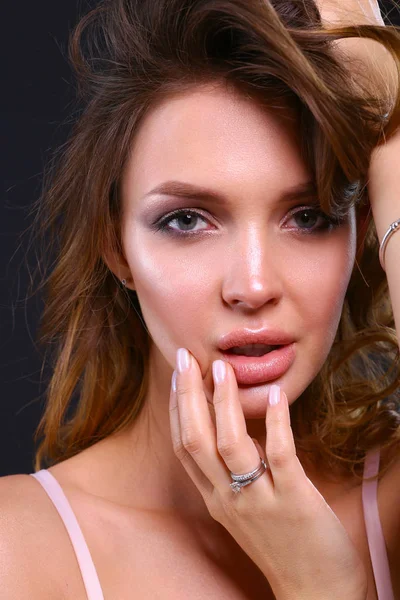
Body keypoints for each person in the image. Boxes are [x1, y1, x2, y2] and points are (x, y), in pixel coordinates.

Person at [1, 0, 400, 598]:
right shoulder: (21, 551)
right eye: (187, 220)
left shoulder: (391, 503)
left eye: (309, 216)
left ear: (363, 230)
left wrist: (390, 124)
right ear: (116, 246)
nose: (255, 286)